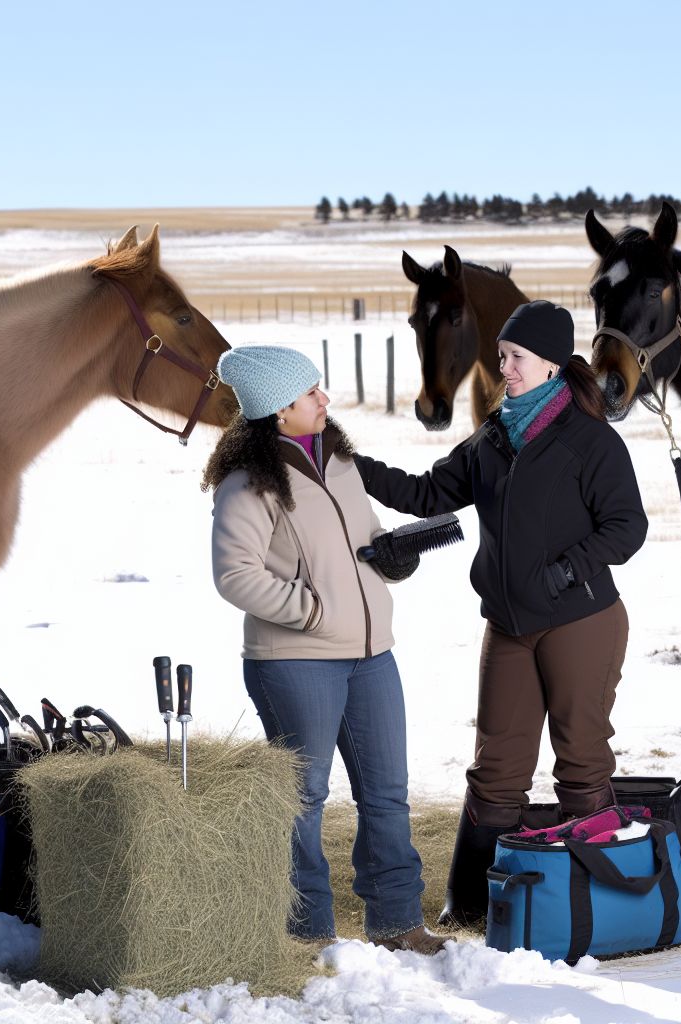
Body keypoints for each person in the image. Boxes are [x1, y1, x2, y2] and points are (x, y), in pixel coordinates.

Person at [354, 300, 648, 926]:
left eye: (514, 359)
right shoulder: (495, 436)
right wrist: (351, 466)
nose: (503, 369)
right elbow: (428, 493)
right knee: (495, 771)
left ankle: (588, 908)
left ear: (548, 364)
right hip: (510, 627)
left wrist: (567, 569)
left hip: (581, 624)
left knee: (582, 762)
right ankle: (471, 910)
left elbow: (628, 527)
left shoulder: (589, 440)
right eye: (502, 358)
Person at [204, 344, 446, 954]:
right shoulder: (248, 484)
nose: (325, 399)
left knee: (387, 792)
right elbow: (235, 574)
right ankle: (306, 935)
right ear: (279, 410)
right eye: (312, 392)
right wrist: (310, 609)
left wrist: (393, 557)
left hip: (371, 654)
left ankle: (398, 923)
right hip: (295, 663)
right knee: (303, 799)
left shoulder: (339, 462)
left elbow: (360, 543)